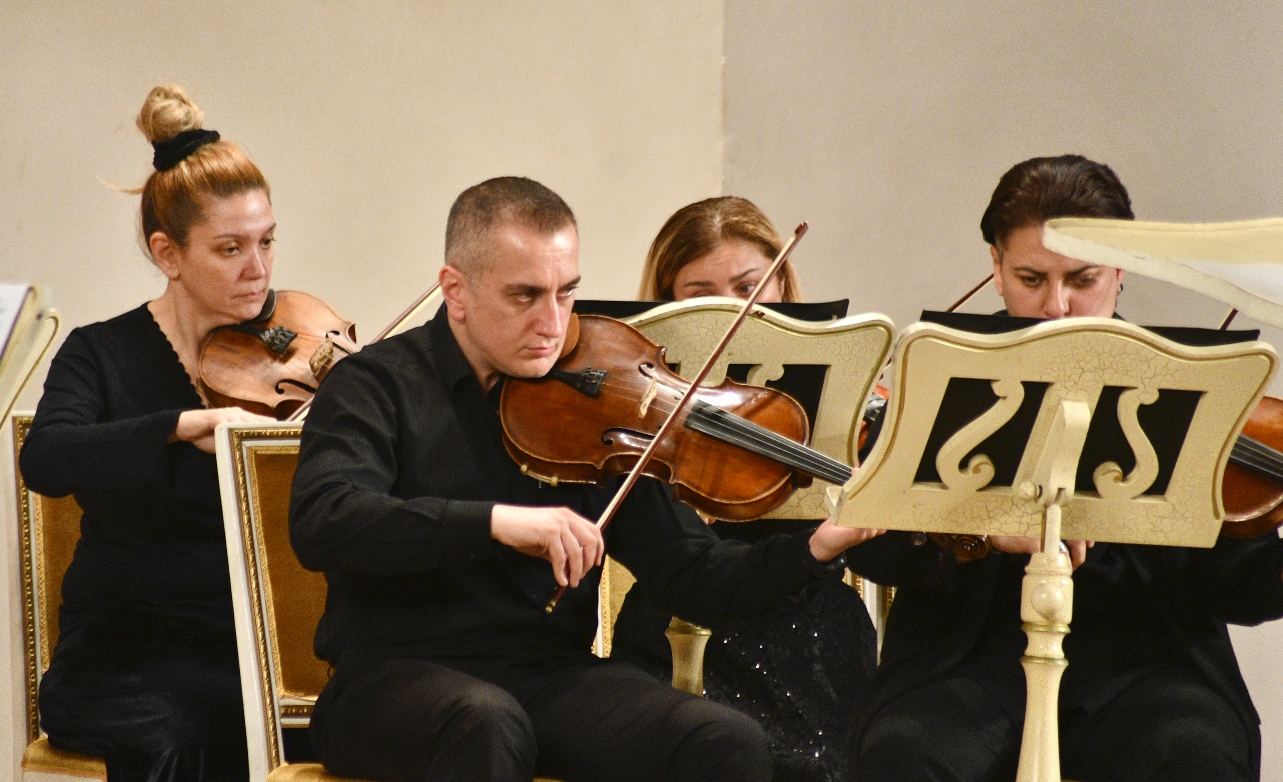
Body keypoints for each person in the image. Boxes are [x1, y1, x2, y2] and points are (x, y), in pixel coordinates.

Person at [288, 177, 878, 782]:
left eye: (566, 292)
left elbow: (694, 573)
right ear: (456, 291)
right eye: (525, 296)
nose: (552, 322)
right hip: (390, 680)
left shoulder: (596, 404)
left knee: (720, 739)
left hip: (547, 675)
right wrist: (495, 524)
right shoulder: (376, 384)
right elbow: (325, 518)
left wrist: (815, 547)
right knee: (486, 724)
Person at [845, 154, 1283, 782]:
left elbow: (1238, 588)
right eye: (1031, 278)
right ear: (996, 267)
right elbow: (872, 546)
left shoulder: (1194, 383)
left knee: (1194, 753)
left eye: (1083, 278)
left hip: (1148, 665)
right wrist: (978, 534)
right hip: (963, 666)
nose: (1057, 306)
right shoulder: (939, 367)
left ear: (1121, 269)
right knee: (906, 755)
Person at [19, 84, 278, 782]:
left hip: (247, 647)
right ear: (169, 253)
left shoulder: (286, 352)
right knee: (191, 730)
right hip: (122, 656)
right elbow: (47, 457)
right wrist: (183, 425)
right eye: (231, 248)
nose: (258, 269)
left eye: (266, 241)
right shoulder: (99, 353)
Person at [616, 195, 877, 782]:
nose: (731, 310)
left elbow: (885, 553)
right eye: (702, 293)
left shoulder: (837, 392)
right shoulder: (638, 405)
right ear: (668, 301)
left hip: (809, 627)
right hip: (678, 619)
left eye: (748, 287)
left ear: (782, 284)